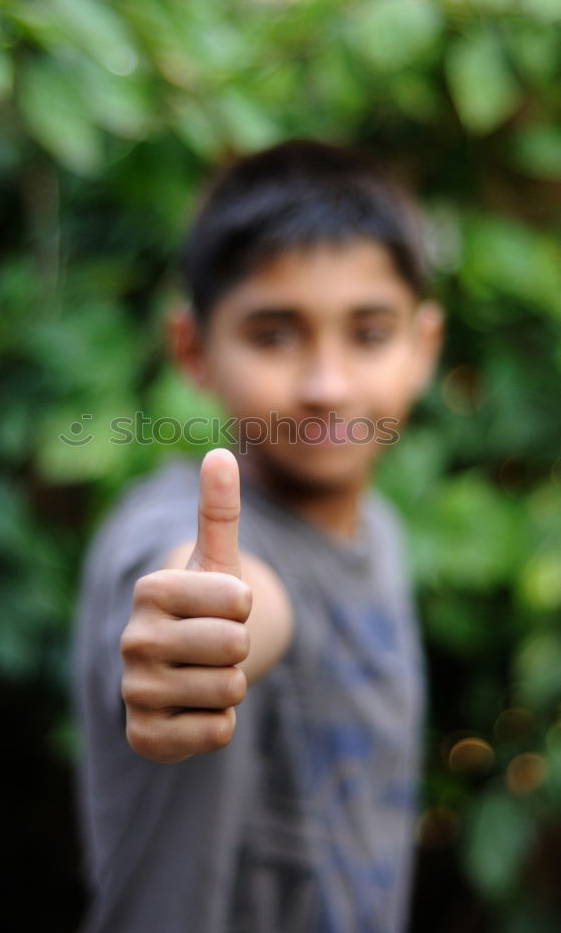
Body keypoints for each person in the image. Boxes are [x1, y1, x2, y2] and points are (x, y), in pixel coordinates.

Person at [73, 140, 444, 933]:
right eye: (274, 335)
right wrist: (203, 631)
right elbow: (229, 593)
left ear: (425, 347)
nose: (326, 385)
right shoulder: (163, 527)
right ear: (193, 349)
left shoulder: (380, 532)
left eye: (369, 333)